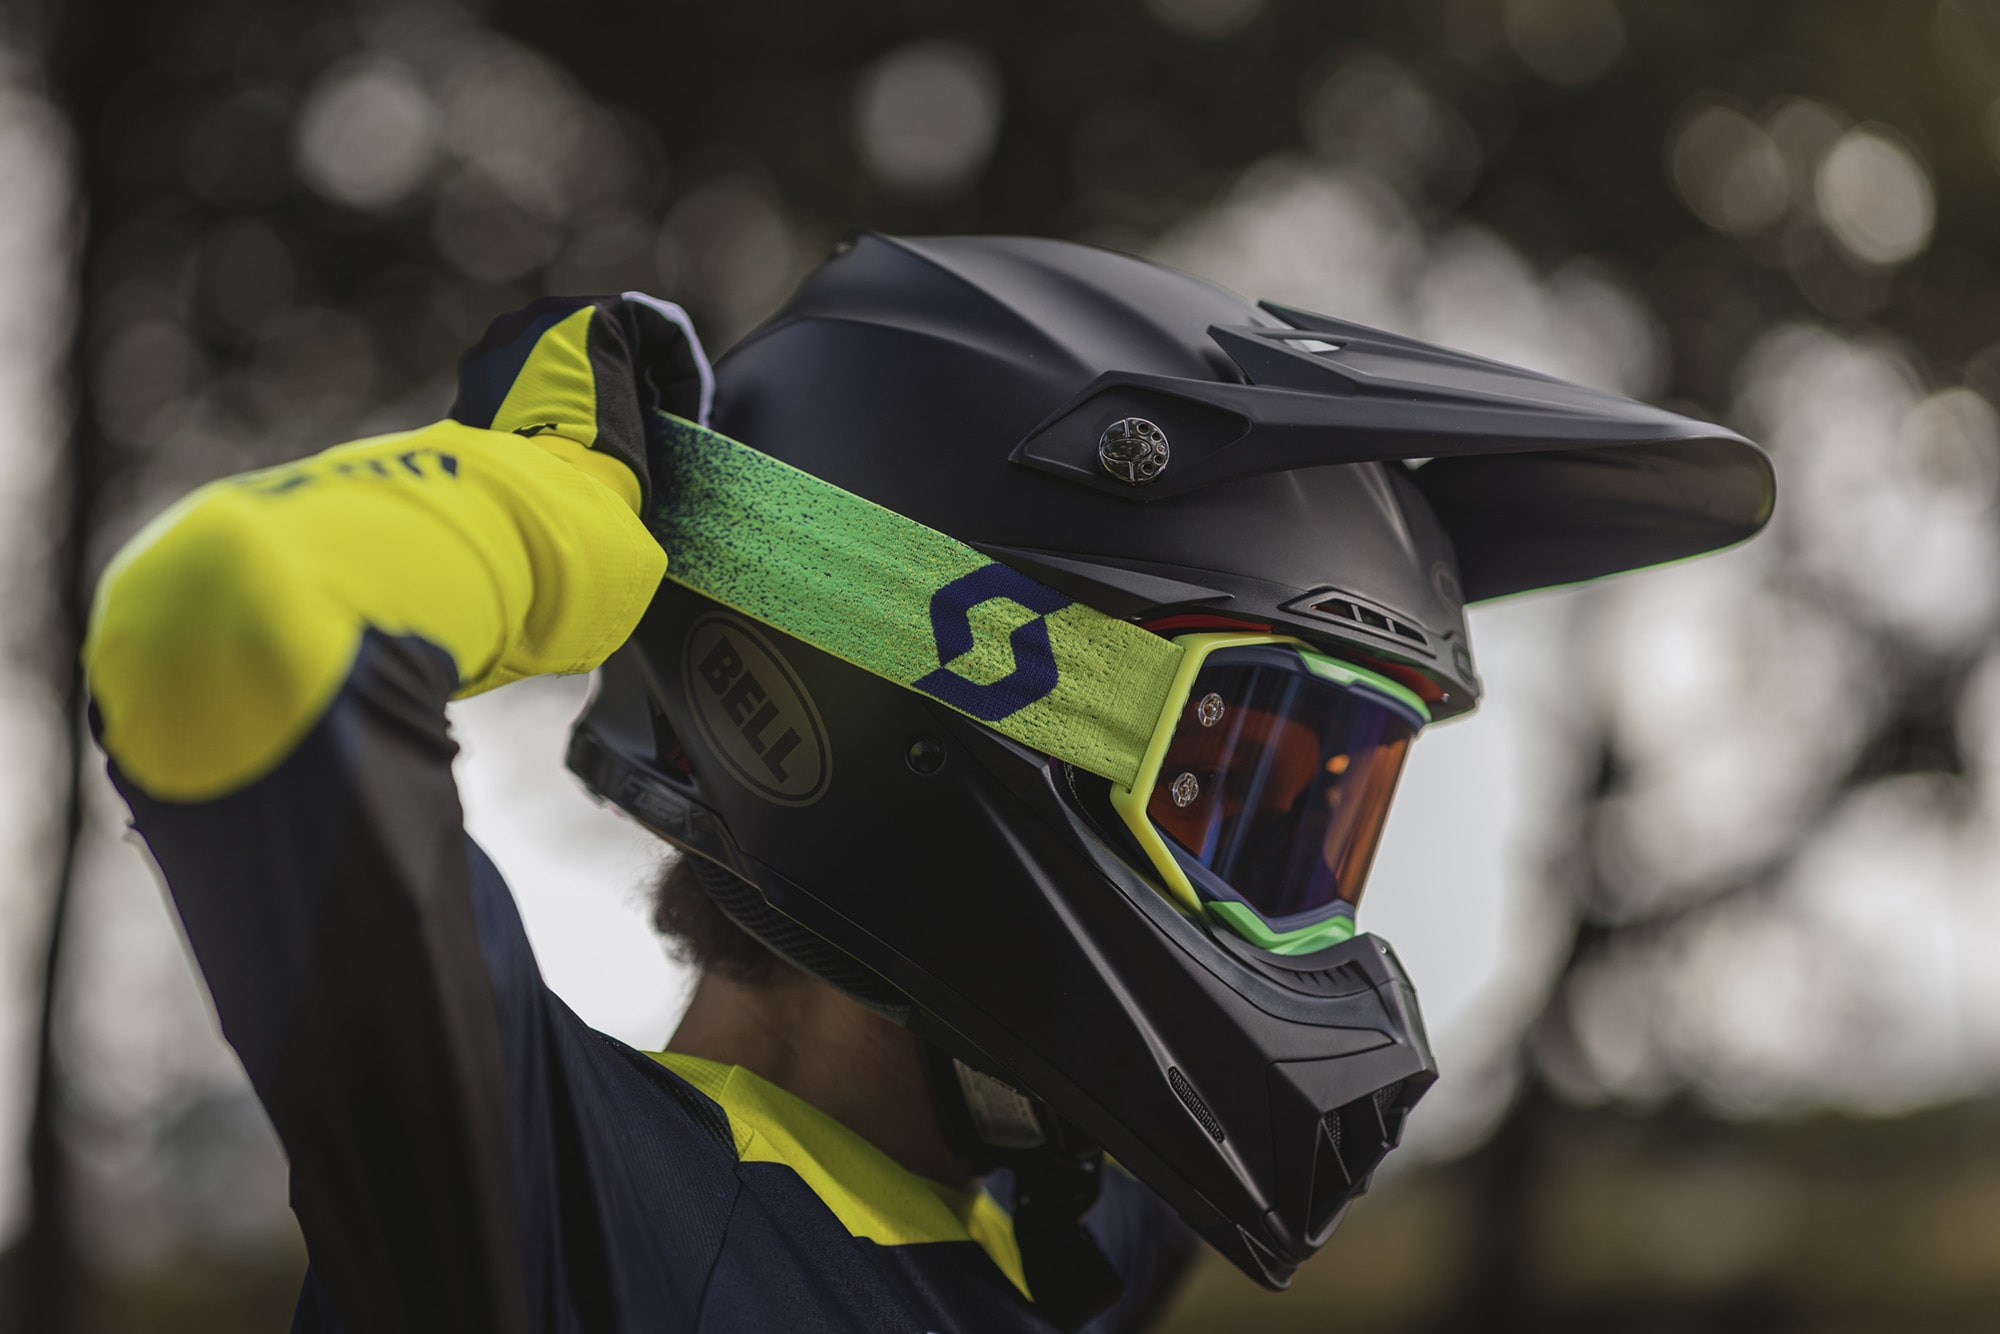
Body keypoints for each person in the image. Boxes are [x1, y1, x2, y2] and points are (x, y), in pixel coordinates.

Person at [83, 234, 1774, 1333]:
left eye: (1333, 812)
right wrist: (563, 513)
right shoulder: (569, 1224)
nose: (1316, 915)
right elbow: (229, 624)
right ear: (969, 707)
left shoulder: (1046, 1234)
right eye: (1250, 791)